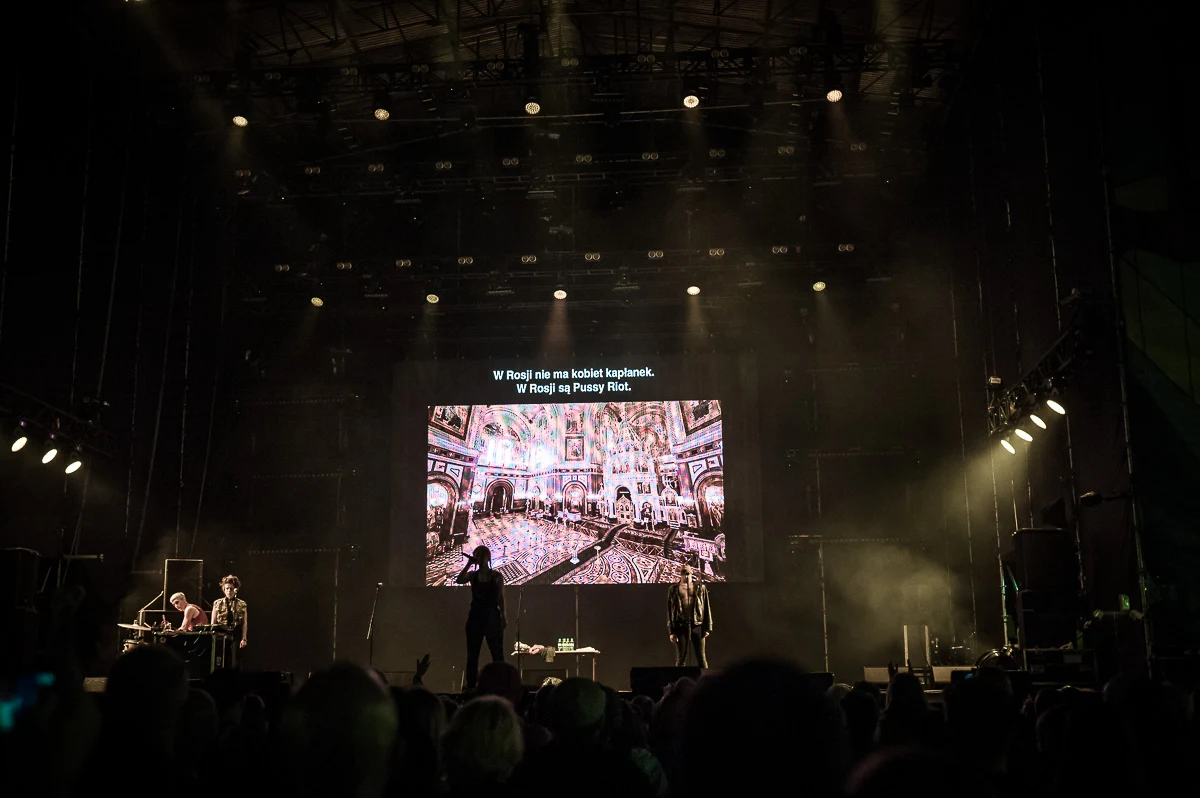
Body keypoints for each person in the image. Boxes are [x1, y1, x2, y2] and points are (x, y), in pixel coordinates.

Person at [456, 544, 506, 690]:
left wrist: (504, 616)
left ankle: (502, 684)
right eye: (477, 555)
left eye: (482, 555)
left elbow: (501, 598)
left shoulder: (496, 576)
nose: (480, 558)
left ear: (488, 557)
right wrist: (468, 564)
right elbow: (459, 580)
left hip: (492, 617)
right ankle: (471, 686)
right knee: (472, 655)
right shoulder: (473, 576)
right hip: (476, 617)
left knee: (497, 654)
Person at [667, 564, 712, 668]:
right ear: (680, 574)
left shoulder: (701, 587)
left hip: (697, 625)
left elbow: (706, 606)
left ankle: (706, 681)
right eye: (683, 574)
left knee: (701, 657)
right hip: (680, 625)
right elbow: (670, 611)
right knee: (681, 658)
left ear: (692, 573)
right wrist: (671, 631)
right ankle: (679, 682)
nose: (686, 576)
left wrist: (707, 627)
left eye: (687, 574)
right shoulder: (673, 589)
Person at [211, 575, 249, 650]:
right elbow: (213, 621)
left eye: (231, 589)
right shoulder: (217, 603)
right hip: (221, 635)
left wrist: (244, 638)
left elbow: (244, 623)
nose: (229, 591)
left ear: (235, 590)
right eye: (227, 589)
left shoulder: (242, 604)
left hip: (235, 634)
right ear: (224, 590)